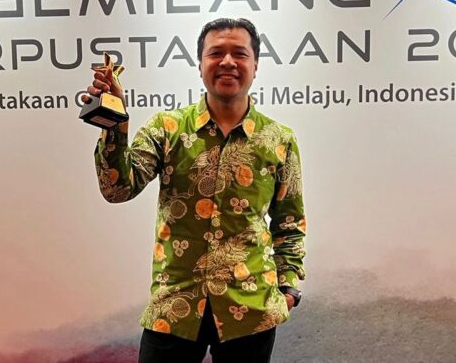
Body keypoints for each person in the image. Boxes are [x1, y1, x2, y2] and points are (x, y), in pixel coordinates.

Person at [83, 18, 306, 362]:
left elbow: (289, 223)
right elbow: (117, 189)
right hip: (174, 305)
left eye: (239, 54)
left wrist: (289, 287)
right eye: (216, 53)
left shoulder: (279, 140)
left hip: (251, 308)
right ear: (200, 65)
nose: (228, 62)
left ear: (255, 65)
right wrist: (114, 122)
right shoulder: (167, 129)